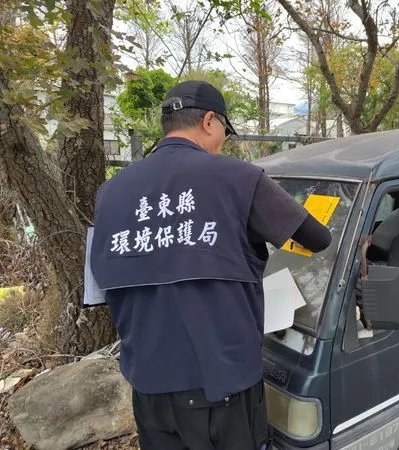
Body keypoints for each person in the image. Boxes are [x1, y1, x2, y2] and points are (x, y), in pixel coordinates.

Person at [90, 80, 332, 450]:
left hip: (149, 391)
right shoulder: (237, 177)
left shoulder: (112, 191)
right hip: (222, 389)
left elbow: (103, 283)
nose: (224, 140)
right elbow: (318, 238)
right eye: (225, 129)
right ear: (208, 121)